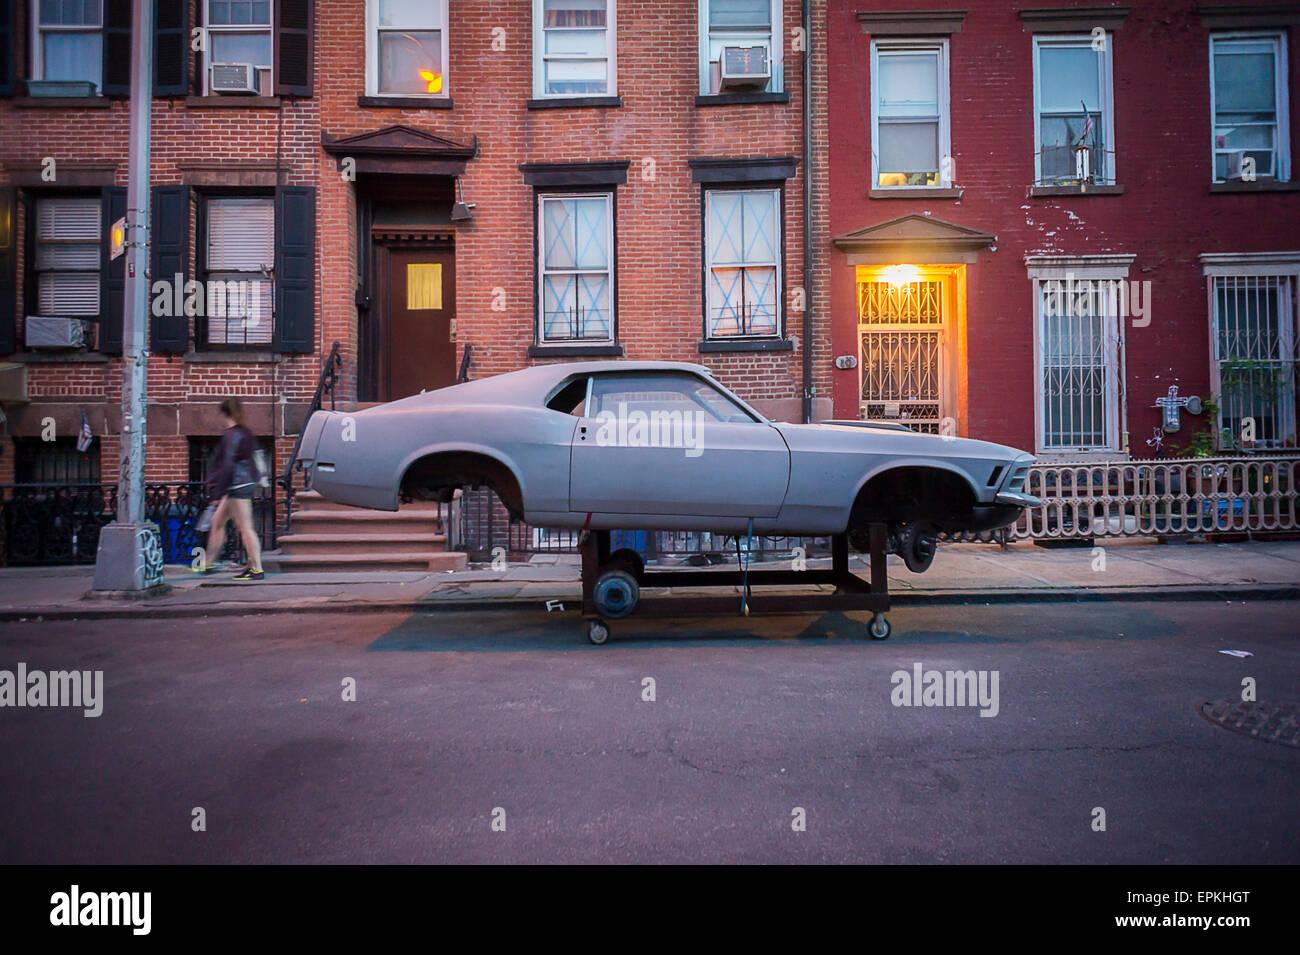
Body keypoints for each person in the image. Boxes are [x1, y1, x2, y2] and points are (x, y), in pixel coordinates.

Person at [203, 397, 264, 581]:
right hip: (241, 483)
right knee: (217, 522)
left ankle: (257, 569)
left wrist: (217, 492)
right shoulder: (245, 432)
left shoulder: (231, 435)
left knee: (245, 528)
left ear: (224, 414)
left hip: (237, 485)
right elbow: (256, 456)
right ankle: (207, 564)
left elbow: (228, 465)